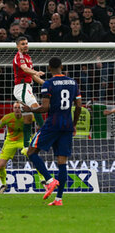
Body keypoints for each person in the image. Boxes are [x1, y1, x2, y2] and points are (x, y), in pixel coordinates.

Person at [22, 57, 82, 206]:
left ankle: (49, 180)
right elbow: (79, 106)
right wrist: (73, 124)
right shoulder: (73, 82)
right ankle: (58, 199)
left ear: (49, 68)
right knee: (62, 162)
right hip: (67, 126)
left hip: (52, 124)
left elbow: (45, 107)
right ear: (62, 66)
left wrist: (30, 109)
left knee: (31, 152)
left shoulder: (48, 84)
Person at [0, 102, 46, 194]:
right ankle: (3, 184)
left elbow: (40, 122)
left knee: (33, 157)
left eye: (19, 107)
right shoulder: (7, 117)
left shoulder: (28, 116)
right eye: (15, 107)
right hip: (10, 141)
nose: (17, 109)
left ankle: (43, 179)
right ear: (13, 109)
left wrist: (36, 135)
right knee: (1, 165)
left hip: (24, 140)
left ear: (22, 109)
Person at [13, 36, 45, 156]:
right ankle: (45, 131)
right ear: (18, 46)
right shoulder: (19, 56)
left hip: (27, 87)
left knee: (28, 118)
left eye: (26, 43)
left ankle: (26, 147)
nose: (25, 45)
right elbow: (25, 69)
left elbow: (32, 76)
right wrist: (36, 72)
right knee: (35, 106)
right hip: (22, 87)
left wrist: (45, 83)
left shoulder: (28, 57)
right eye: (22, 44)